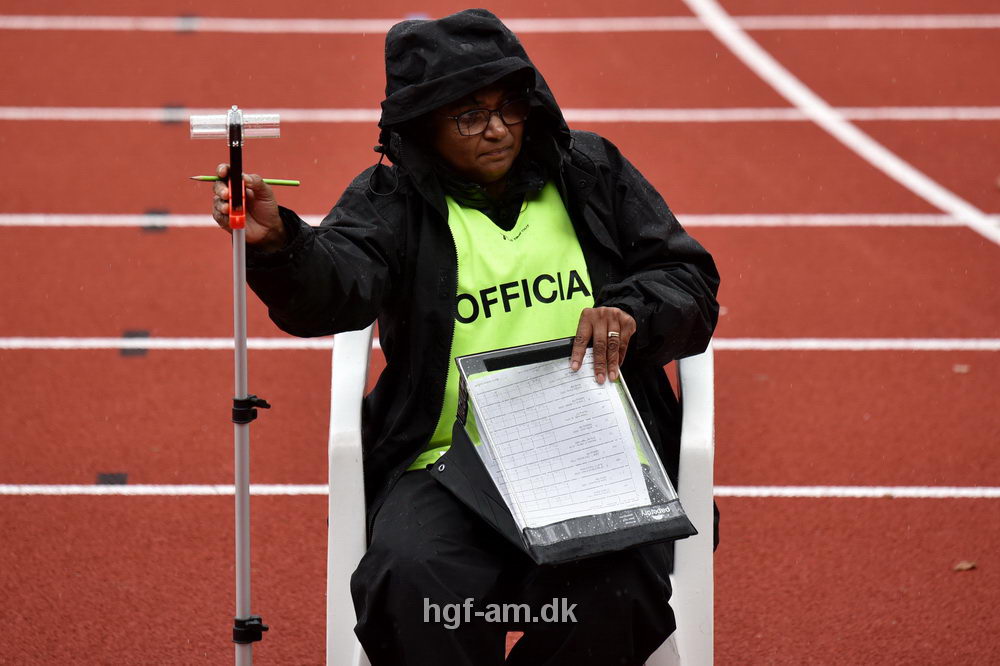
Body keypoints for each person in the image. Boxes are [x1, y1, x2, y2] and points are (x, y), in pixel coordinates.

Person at [211, 9, 719, 665]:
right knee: (412, 582)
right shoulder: (391, 201)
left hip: (595, 462)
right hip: (446, 464)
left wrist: (631, 312)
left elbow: (688, 279)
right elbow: (335, 289)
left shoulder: (591, 172)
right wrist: (279, 244)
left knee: (615, 593)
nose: (498, 129)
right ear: (423, 125)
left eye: (510, 107)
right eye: (470, 116)